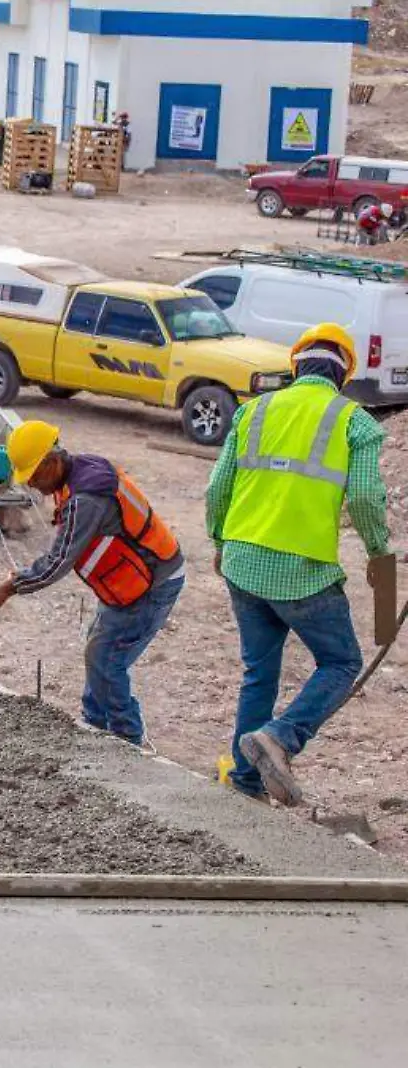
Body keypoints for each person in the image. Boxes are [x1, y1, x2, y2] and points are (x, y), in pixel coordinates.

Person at [206, 323, 393, 806]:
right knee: (341, 661)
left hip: (243, 561)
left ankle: (246, 781)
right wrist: (379, 556)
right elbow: (369, 498)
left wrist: (219, 541)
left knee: (258, 672)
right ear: (343, 374)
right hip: (302, 572)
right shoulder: (355, 421)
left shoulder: (255, 411)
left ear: (295, 366)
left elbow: (216, 488)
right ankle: (282, 738)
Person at [0, 421, 185, 750]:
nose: (32, 484)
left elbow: (57, 562)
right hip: (127, 582)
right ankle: (93, 726)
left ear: (52, 461)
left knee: (106, 660)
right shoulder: (75, 473)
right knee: (99, 651)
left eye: (34, 475)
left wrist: (9, 588)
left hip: (151, 582)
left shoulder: (86, 499)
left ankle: (127, 741)